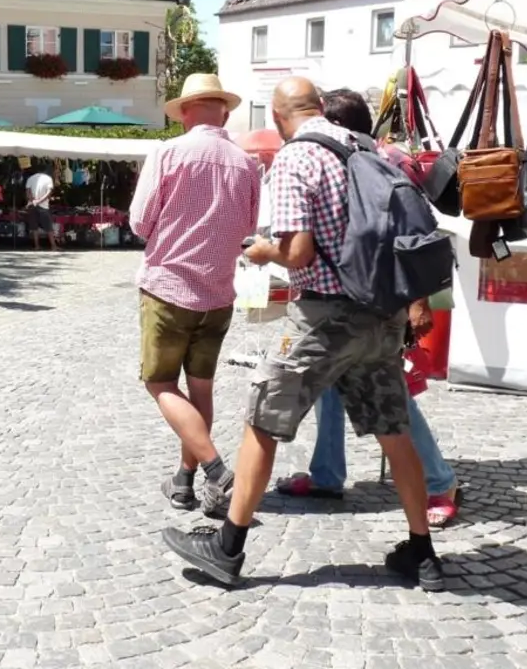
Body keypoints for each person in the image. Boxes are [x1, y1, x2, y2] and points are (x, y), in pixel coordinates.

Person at [161, 76, 446, 590]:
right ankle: (422, 553)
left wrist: (261, 250)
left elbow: (297, 253)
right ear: (319, 106)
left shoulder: (297, 157)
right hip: (381, 312)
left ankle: (227, 547)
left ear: (277, 117)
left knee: (262, 420)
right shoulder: (364, 146)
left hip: (324, 316)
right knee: (393, 430)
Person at [271, 89, 462, 527]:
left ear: (338, 125)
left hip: (376, 301)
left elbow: (410, 235)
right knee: (330, 392)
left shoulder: (378, 160)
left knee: (394, 400)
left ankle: (439, 481)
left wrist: (417, 303)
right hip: (339, 299)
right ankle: (327, 474)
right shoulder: (345, 158)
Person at [130, 73, 259, 516]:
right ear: (223, 112)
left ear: (185, 111)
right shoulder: (247, 164)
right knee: (200, 389)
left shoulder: (168, 153)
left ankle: (215, 470)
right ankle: (183, 483)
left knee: (161, 383)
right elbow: (249, 227)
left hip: (168, 288)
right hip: (218, 292)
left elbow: (140, 223)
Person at [24, 167, 57, 251]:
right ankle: (53, 246)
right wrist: (40, 201)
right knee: (49, 227)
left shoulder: (31, 178)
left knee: (34, 227)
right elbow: (49, 193)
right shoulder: (48, 179)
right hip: (44, 206)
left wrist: (33, 200)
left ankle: (37, 246)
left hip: (32, 205)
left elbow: (28, 192)